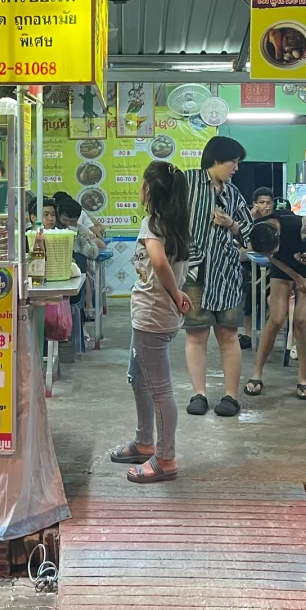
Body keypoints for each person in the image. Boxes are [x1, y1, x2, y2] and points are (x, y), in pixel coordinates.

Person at [109, 161, 192, 483]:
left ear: (149, 190)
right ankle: (144, 442)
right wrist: (177, 293)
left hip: (153, 317)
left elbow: (158, 262)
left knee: (159, 390)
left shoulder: (153, 224)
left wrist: (174, 294)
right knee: (138, 379)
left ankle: (165, 459)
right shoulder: (174, 225)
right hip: (153, 313)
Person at [183, 135, 253, 418]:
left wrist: (232, 224)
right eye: (233, 162)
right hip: (195, 271)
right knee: (196, 334)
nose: (236, 168)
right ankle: (199, 393)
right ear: (216, 159)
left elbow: (247, 233)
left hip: (227, 273)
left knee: (229, 335)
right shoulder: (186, 182)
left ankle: (231, 397)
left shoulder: (234, 194)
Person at [245, 208, 306, 399]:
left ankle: (303, 379)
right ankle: (257, 373)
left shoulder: (298, 223)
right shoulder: (259, 230)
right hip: (283, 265)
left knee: (300, 320)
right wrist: (296, 278)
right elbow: (272, 257)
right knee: (275, 319)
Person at [241, 187, 276, 347]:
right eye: (261, 202)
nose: (266, 206)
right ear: (254, 204)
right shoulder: (248, 221)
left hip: (273, 265)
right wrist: (251, 216)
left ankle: (266, 332)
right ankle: (248, 335)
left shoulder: (276, 221)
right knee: (253, 294)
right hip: (251, 266)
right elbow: (243, 247)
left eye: (269, 202)